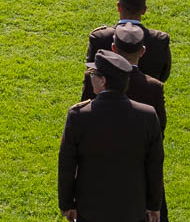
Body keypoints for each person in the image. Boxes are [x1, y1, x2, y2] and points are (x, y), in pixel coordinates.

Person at [56, 50, 165, 222]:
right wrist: (154, 205)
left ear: (103, 81)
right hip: (132, 209)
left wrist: (67, 204)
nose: (90, 76)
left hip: (90, 209)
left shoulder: (79, 115)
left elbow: (67, 163)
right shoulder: (147, 115)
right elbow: (154, 164)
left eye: (93, 73)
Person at [80, 23, 166, 133]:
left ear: (113, 48)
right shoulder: (155, 87)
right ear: (142, 51)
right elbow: (158, 130)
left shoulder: (93, 77)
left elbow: (83, 121)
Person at [86, 0, 173, 83]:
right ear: (144, 10)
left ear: (119, 7)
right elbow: (163, 75)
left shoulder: (99, 37)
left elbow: (91, 76)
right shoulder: (159, 40)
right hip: (147, 97)